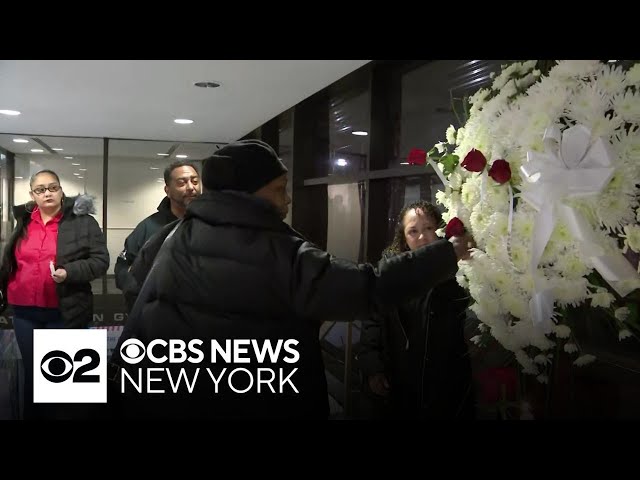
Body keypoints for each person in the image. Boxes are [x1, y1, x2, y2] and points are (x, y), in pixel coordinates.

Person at [110, 139, 474, 420]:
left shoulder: (169, 237)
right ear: (250, 192)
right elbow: (369, 287)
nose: (286, 200)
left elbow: (134, 291)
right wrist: (447, 252)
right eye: (279, 188)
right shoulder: (277, 252)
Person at [0, 169, 109, 420]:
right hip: (25, 311)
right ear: (32, 195)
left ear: (61, 190)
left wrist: (68, 272)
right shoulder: (24, 221)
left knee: (62, 381)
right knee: (34, 376)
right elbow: (13, 261)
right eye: (40, 189)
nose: (47, 193)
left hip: (65, 311)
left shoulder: (83, 222)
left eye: (52, 187)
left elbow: (101, 261)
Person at [358, 200, 476, 419]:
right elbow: (372, 326)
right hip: (400, 386)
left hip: (449, 390)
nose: (422, 237)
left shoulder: (461, 274)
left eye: (429, 228)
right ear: (404, 238)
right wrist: (373, 369)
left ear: (440, 230)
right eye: (413, 231)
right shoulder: (392, 276)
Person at [114, 160, 201, 312]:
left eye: (195, 181)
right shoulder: (148, 227)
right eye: (182, 183)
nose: (191, 187)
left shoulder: (212, 224)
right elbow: (122, 269)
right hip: (157, 317)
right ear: (167, 190)